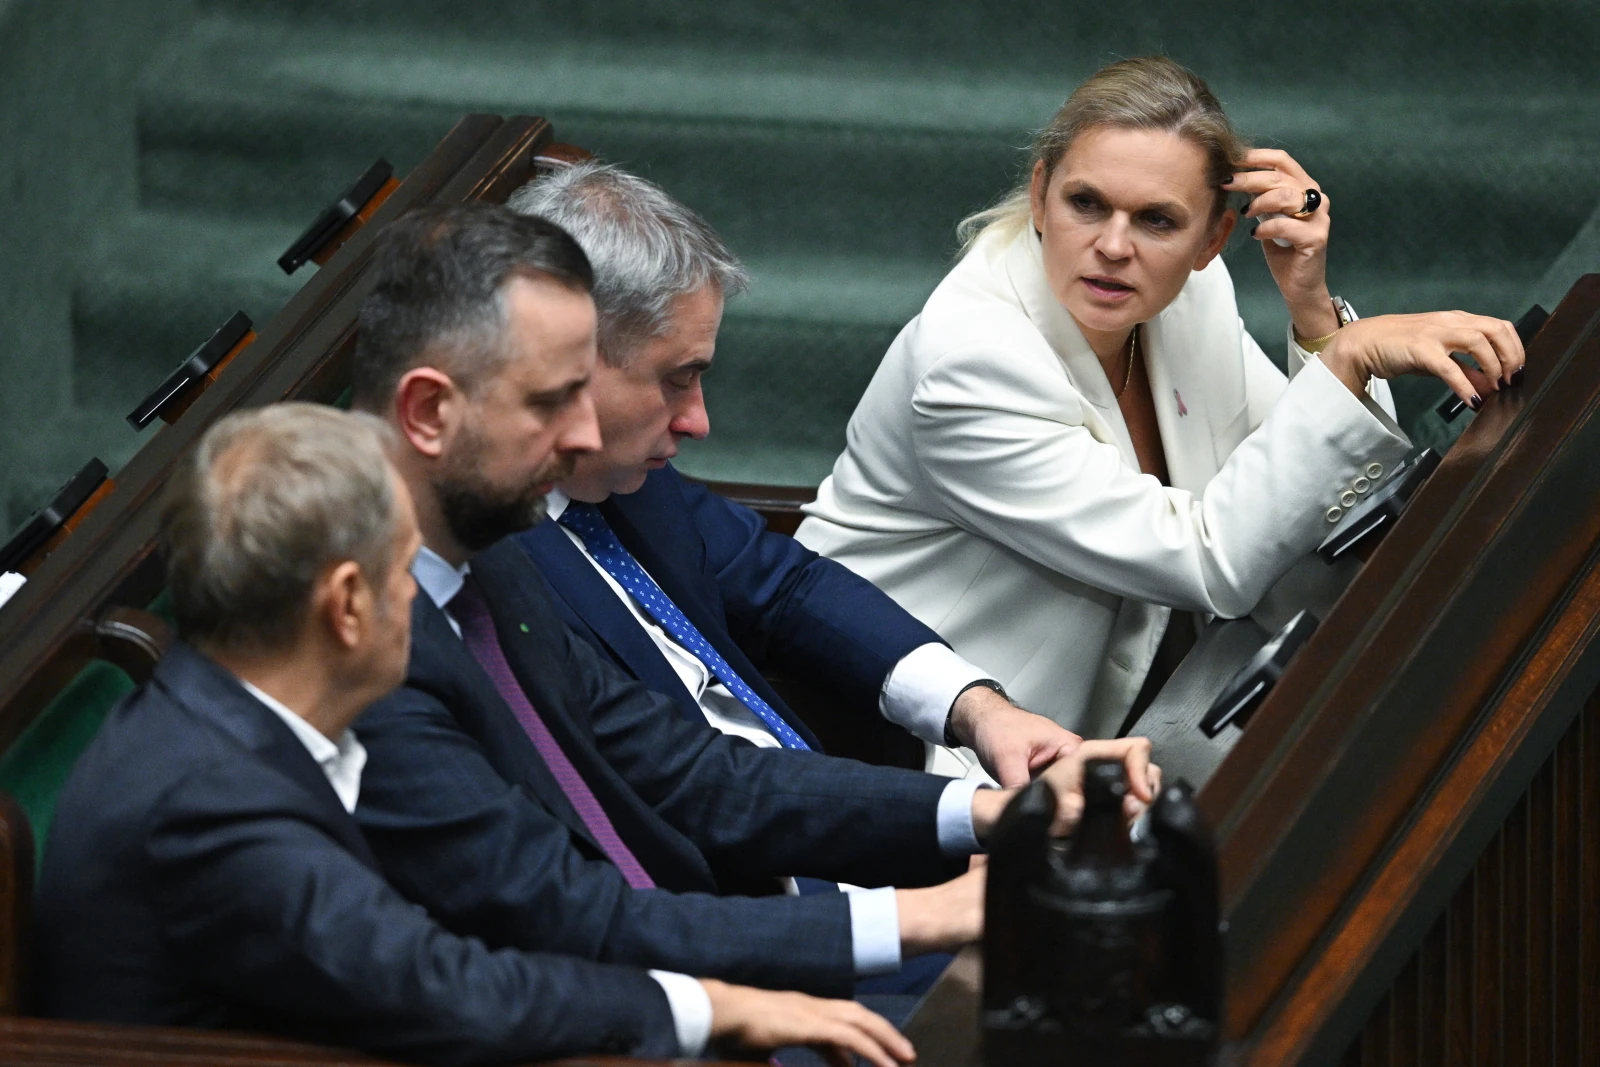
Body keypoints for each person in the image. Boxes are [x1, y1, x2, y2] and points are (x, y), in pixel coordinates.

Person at [345, 202, 1159, 1033]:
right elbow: (566, 917)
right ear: (429, 414)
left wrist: (991, 815)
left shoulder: (494, 571)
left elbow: (702, 777)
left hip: (702, 972)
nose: (582, 437)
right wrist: (921, 922)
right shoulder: (358, 656)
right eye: (554, 400)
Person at [36, 403, 917, 1067]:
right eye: (400, 573)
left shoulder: (224, 724)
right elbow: (436, 982)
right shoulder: (208, 800)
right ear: (346, 604)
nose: (423, 599)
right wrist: (712, 1008)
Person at [795, 55, 1527, 738]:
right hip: (895, 744)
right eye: (1088, 203)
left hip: (1124, 719)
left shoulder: (1190, 294)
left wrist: (1312, 312)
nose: (1115, 245)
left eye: (1156, 220)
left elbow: (1299, 497)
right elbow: (1211, 562)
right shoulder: (970, 364)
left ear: (1213, 238)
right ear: (1041, 194)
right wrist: (1347, 359)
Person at [504, 161, 1079, 789]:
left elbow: (784, 589)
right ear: (563, 362)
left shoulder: (625, 477)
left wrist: (977, 708)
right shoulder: (489, 571)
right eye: (676, 379)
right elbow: (687, 799)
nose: (697, 422)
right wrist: (950, 832)